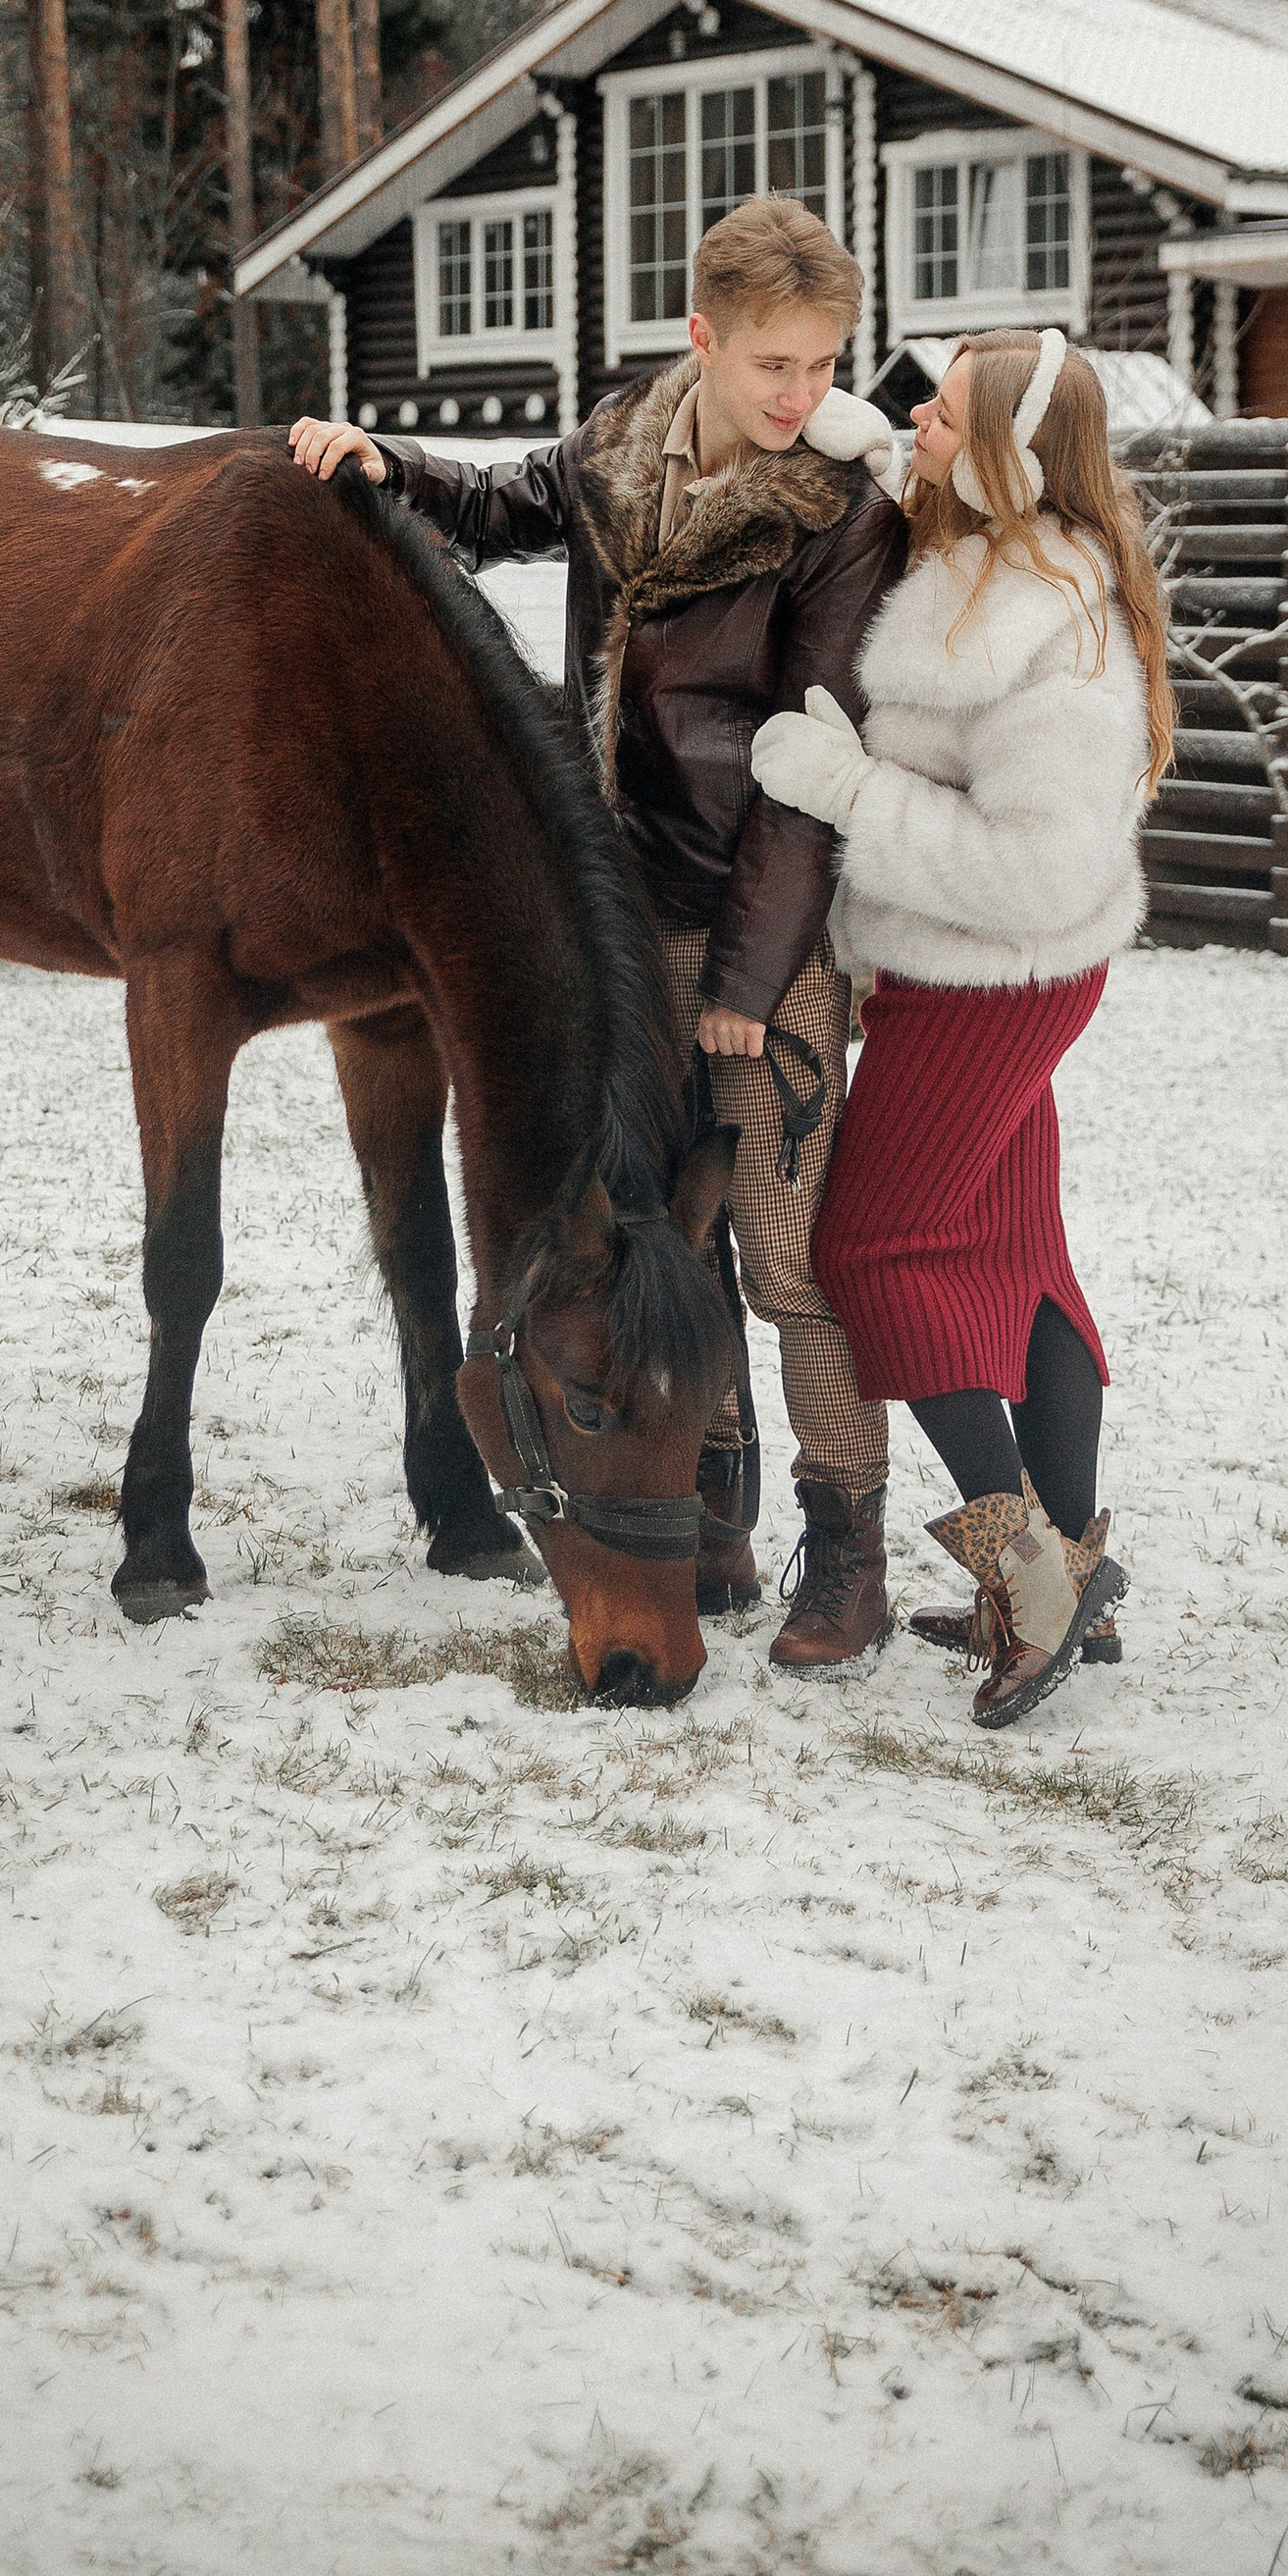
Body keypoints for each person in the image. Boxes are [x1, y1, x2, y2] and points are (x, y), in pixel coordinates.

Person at [287, 196, 906, 1664]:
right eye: (771, 363)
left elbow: (807, 779)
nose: (798, 396)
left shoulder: (840, 518)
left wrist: (753, 979)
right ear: (702, 339)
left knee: (782, 1251)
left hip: (761, 930)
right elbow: (512, 500)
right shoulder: (628, 443)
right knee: (659, 1243)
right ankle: (714, 1511)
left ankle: (851, 1550)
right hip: (617, 931)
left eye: (823, 365)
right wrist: (394, 462)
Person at [750, 327, 1172, 1726]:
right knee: (1019, 1255)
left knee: (869, 1246)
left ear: (1006, 458)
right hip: (981, 976)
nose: (909, 411)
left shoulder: (1050, 623)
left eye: (942, 410)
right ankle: (1079, 1570)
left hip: (997, 973)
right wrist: (871, 449)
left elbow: (1038, 867)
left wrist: (854, 791)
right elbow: (916, 475)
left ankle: (1033, 1589)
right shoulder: (1003, 547)